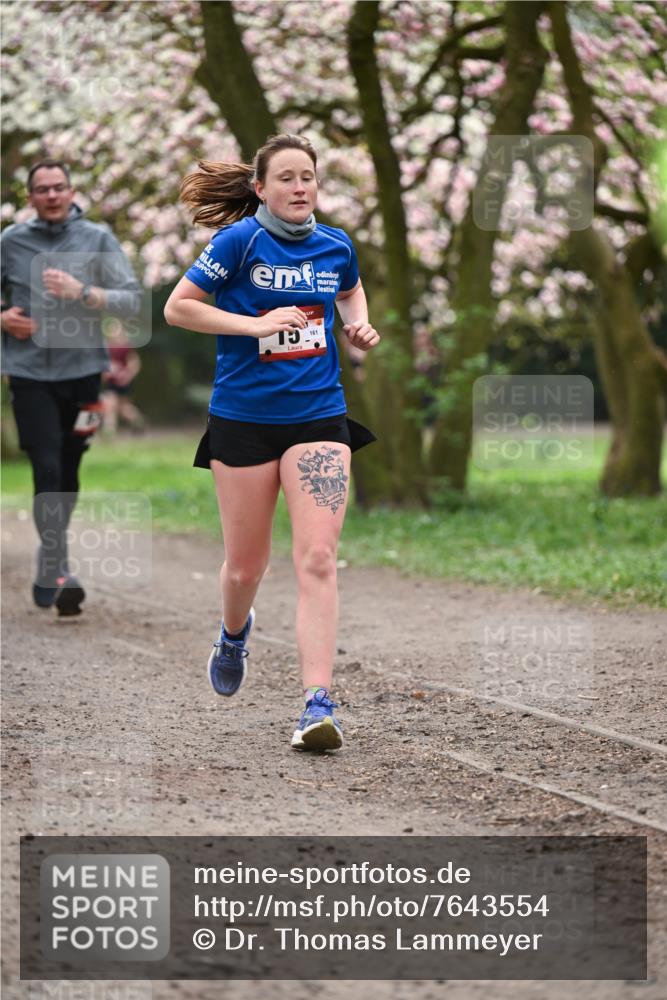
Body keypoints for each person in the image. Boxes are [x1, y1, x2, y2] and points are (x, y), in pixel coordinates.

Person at [164, 133, 379, 752]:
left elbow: (349, 288)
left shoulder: (336, 244)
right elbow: (180, 309)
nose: (299, 187)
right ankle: (233, 634)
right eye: (285, 178)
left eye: (307, 177)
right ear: (260, 188)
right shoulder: (238, 242)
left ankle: (317, 703)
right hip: (244, 419)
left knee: (317, 557)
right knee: (245, 566)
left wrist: (354, 322)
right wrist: (253, 324)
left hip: (318, 416)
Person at [1, 159, 142, 615]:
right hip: (29, 374)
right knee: (45, 464)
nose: (52, 196)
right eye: (42, 189)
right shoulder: (11, 242)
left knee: (70, 464)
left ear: (71, 190)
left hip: (85, 373)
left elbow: (132, 299)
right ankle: (59, 566)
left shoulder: (97, 239)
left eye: (59, 187)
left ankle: (51, 552)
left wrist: (83, 292)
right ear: (31, 198)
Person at [101, 318, 145, 434]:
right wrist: (108, 372)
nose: (113, 332)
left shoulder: (126, 347)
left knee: (124, 408)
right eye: (111, 329)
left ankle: (137, 421)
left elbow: (135, 363)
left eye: (116, 329)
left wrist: (127, 375)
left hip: (123, 382)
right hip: (112, 382)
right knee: (110, 405)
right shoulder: (107, 347)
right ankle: (109, 431)